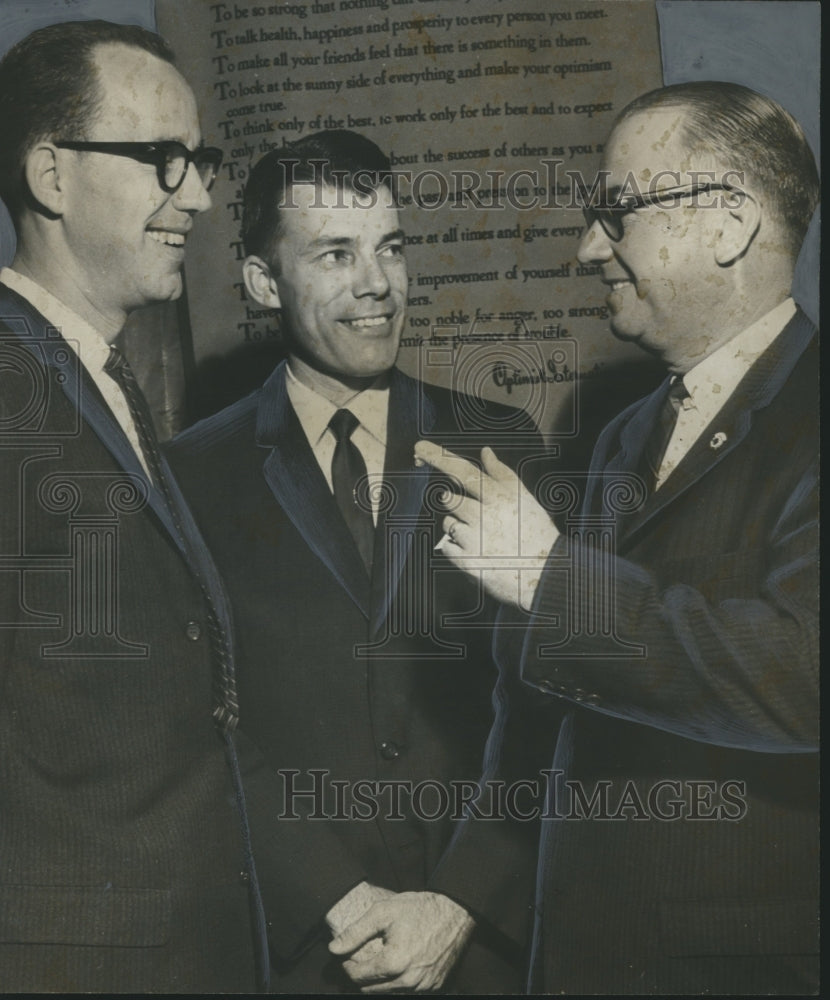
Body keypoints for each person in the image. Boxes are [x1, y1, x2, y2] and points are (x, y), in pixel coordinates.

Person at [416, 81, 819, 994]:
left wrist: (552, 579)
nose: (588, 245)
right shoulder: (625, 433)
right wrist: (461, 897)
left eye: (618, 212)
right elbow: (552, 716)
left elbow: (806, 676)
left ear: (727, 225)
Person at [166, 130, 547, 993]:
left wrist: (459, 901)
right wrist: (335, 901)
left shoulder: (500, 444)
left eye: (391, 248)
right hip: (304, 951)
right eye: (336, 254)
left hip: (482, 948)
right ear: (265, 283)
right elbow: (199, 726)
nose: (378, 284)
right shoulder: (189, 477)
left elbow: (547, 698)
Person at [0, 21, 265, 992]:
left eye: (200, 161)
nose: (196, 194)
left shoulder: (90, 375)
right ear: (50, 176)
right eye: (162, 160)